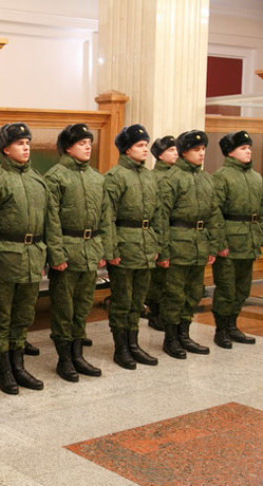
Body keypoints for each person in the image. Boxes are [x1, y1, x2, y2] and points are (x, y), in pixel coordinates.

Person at [0, 122, 45, 394]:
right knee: (2, 317)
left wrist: (45, 257)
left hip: (32, 257)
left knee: (23, 316)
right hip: (4, 259)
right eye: (20, 143)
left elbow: (48, 222)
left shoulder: (37, 179)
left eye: (27, 143)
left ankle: (19, 367)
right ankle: (4, 370)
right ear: (6, 149)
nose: (26, 147)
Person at [45, 123, 109, 382]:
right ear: (68, 148)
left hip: (90, 249)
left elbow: (104, 217)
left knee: (83, 307)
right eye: (82, 143)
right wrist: (56, 254)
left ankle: (78, 354)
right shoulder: (55, 177)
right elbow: (50, 219)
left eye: (89, 143)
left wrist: (102, 249)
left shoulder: (97, 178)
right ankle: (64, 359)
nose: (87, 147)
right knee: (64, 308)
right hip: (67, 250)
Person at [154, 130, 224, 359]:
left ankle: (184, 334)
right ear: (184, 152)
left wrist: (213, 246)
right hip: (178, 243)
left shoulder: (206, 179)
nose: (201, 153)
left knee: (193, 293)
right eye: (196, 150)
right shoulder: (172, 178)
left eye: (203, 149)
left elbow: (214, 214)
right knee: (174, 294)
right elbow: (161, 217)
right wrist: (163, 251)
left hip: (199, 244)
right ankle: (171, 338)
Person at [103, 125, 159, 370]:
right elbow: (108, 217)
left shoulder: (148, 176)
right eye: (140, 145)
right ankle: (121, 348)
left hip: (145, 244)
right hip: (125, 245)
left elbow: (157, 213)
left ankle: (133, 344)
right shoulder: (115, 177)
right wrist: (111, 250)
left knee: (138, 301)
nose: (145, 149)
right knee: (122, 300)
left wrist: (156, 243)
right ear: (127, 149)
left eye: (146, 144)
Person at [211, 130, 261, 348]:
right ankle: (221, 330)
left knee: (242, 289)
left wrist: (259, 236)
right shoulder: (221, 176)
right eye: (243, 148)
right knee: (226, 288)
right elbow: (215, 212)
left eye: (249, 147)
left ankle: (232, 326)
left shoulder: (256, 178)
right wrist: (219, 243)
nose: (248, 151)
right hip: (230, 243)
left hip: (249, 241)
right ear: (230, 152)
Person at [144, 135, 177, 331]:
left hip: (178, 234)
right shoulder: (153, 177)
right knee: (158, 279)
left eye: (176, 149)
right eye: (171, 150)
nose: (176, 153)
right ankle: (155, 313)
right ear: (160, 155)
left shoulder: (179, 176)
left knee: (173, 280)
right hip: (159, 232)